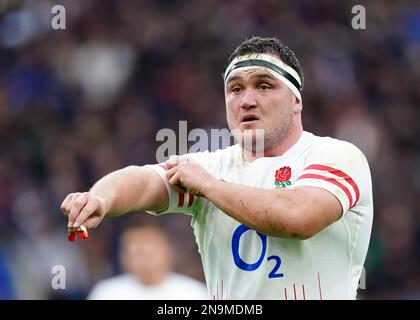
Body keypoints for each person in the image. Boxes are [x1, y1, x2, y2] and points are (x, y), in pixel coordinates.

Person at [61, 36, 373, 300]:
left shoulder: (335, 155)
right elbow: (144, 180)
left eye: (263, 86)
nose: (246, 100)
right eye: (235, 89)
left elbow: (297, 218)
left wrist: (210, 187)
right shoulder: (210, 166)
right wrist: (101, 198)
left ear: (296, 100)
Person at [87, 223, 208, 300]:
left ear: (168, 252)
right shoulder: (106, 293)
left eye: (148, 252)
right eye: (135, 252)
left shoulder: (193, 293)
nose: (142, 260)